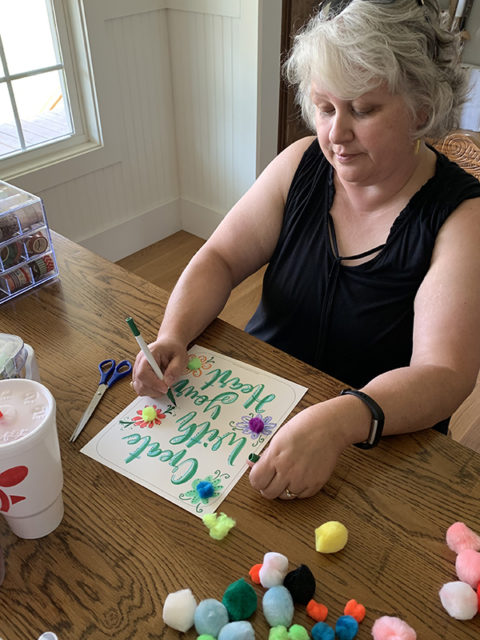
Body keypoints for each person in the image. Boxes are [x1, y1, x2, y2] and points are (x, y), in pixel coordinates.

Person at [132, 0, 480, 501]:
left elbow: (444, 374)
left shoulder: (462, 217)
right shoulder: (299, 164)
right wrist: (173, 333)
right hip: (249, 408)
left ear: (421, 111)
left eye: (363, 109)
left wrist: (341, 419)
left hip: (376, 447)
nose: (336, 135)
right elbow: (219, 258)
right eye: (325, 107)